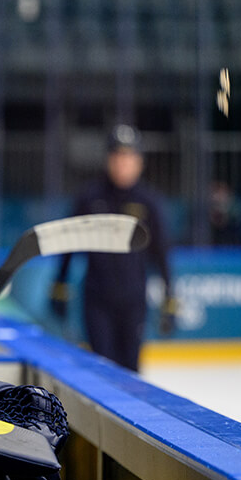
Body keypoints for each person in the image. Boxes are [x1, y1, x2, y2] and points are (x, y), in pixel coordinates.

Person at [49, 124, 177, 372]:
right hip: (97, 299)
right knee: (101, 368)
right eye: (117, 156)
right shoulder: (89, 197)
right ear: (108, 159)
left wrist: (170, 296)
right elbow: (69, 243)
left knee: (130, 371)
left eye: (129, 157)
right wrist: (60, 285)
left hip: (133, 300)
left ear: (139, 162)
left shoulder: (149, 202)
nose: (122, 163)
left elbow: (162, 252)